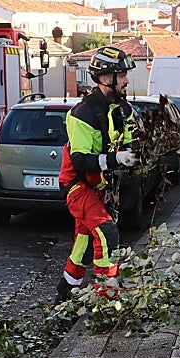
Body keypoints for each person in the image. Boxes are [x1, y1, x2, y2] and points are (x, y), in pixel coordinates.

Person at [56, 46, 138, 303]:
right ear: (104, 78)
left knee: (83, 246)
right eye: (121, 75)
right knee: (106, 231)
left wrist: (138, 155)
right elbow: (80, 161)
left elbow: (129, 143)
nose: (126, 80)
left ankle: (65, 295)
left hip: (100, 185)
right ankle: (107, 296)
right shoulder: (81, 114)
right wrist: (116, 159)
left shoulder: (124, 110)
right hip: (77, 184)